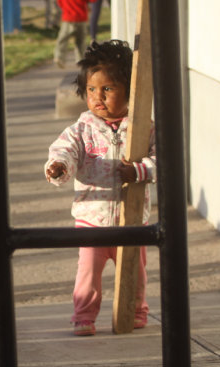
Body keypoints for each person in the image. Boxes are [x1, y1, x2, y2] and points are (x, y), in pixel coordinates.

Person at [45, 40, 156, 336]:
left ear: (129, 91)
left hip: (131, 220)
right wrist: (59, 166)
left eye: (108, 89)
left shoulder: (143, 127)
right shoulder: (81, 129)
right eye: (92, 90)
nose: (98, 97)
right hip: (92, 219)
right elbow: (64, 150)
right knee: (88, 274)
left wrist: (140, 170)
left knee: (134, 271)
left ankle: (135, 311)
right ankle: (84, 316)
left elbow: (163, 159)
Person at [53, 0, 95, 68]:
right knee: (80, 41)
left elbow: (60, 3)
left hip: (68, 17)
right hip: (81, 18)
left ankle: (59, 57)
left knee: (63, 39)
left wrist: (65, 8)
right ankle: (80, 60)